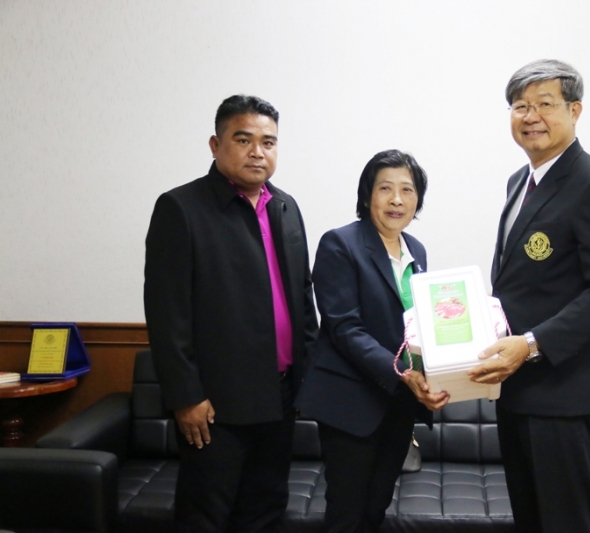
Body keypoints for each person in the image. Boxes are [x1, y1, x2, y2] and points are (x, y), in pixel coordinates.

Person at [467, 59, 590, 533]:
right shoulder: (519, 182)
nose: (531, 117)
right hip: (518, 394)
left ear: (574, 110)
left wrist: (531, 343)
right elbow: (521, 285)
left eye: (545, 104)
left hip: (566, 400)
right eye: (520, 106)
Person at [144, 94, 318, 533]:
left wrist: (308, 381)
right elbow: (166, 315)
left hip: (280, 397)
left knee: (265, 511)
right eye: (243, 140)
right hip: (215, 406)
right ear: (215, 144)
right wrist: (186, 397)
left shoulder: (285, 207)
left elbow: (302, 298)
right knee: (205, 518)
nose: (258, 152)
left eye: (268, 142)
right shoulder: (181, 208)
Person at [295, 149, 449, 533]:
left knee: (377, 505)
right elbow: (345, 328)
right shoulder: (340, 244)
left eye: (407, 190)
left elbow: (417, 328)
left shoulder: (416, 250)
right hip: (350, 402)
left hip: (397, 404)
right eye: (385, 189)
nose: (397, 200)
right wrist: (403, 374)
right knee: (347, 512)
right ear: (367, 196)